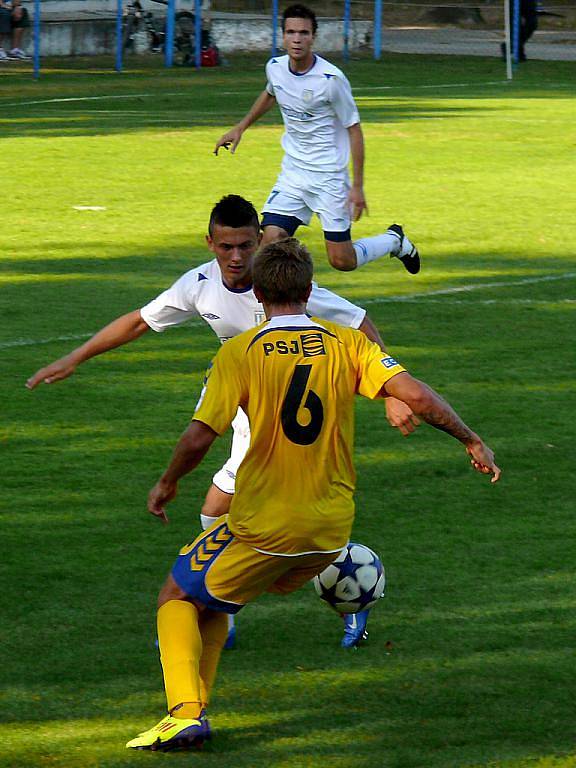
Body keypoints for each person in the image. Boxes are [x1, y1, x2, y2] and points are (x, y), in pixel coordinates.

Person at [126, 237, 499, 751]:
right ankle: (194, 713)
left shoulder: (240, 352)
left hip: (265, 526)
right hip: (330, 533)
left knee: (175, 595)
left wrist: (167, 483)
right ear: (309, 289)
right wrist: (470, 438)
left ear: (257, 292)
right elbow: (415, 394)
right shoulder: (348, 344)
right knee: (209, 600)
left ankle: (185, 713)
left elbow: (199, 435)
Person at [26, 194, 419, 648]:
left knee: (240, 510)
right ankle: (233, 605)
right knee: (235, 511)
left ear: (259, 241)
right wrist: (76, 357)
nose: (236, 257)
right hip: (241, 401)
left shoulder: (281, 286)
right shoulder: (198, 284)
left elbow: (359, 321)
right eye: (227, 247)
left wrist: (391, 392)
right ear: (210, 242)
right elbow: (140, 321)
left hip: (274, 417)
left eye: (246, 246)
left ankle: (224, 605)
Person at [214, 4, 420, 276]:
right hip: (294, 174)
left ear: (313, 37)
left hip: (329, 178)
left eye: (303, 33)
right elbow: (271, 93)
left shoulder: (331, 79)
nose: (297, 39)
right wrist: (240, 127)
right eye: (291, 32)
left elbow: (354, 130)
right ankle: (280, 309)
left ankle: (394, 240)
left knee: (342, 261)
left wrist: (357, 186)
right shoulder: (275, 67)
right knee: (269, 243)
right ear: (283, 36)